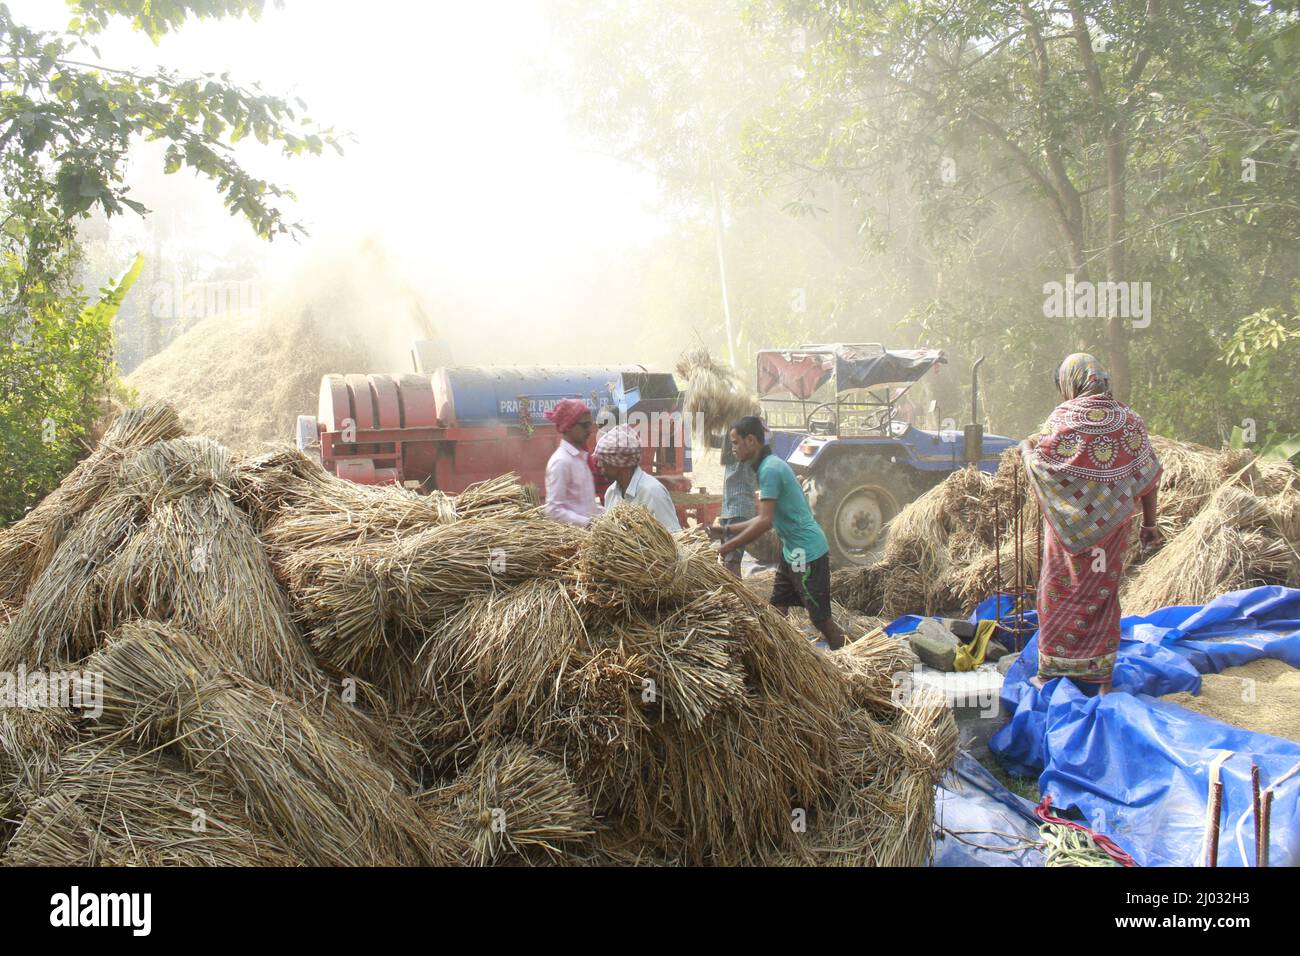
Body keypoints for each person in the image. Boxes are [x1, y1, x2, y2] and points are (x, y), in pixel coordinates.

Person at [1022, 353, 1162, 694]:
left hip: (1067, 533)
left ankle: (1049, 674)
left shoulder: (1063, 417)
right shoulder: (1129, 420)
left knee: (1057, 592)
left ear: (1072, 381)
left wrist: (1026, 452)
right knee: (1102, 595)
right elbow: (1148, 477)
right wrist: (1149, 525)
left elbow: (1044, 467)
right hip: (1111, 533)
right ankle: (1101, 679)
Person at [717, 415, 846, 650]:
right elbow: (765, 517)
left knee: (820, 619)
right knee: (777, 610)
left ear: (751, 440)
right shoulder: (767, 466)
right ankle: (785, 661)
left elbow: (764, 522)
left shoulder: (770, 470)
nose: (733, 449)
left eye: (735, 443)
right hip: (793, 554)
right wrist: (726, 530)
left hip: (808, 554)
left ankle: (853, 662)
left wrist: (728, 545)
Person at [594, 424, 681, 532]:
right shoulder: (611, 493)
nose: (598, 465)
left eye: (603, 460)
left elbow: (674, 538)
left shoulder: (652, 493)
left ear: (620, 463)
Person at [542, 399, 602, 526]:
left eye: (590, 425)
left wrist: (608, 515)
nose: (589, 430)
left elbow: (587, 506)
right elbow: (553, 510)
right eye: (585, 425)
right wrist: (588, 524)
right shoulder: (561, 462)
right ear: (568, 425)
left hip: (589, 537)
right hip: (575, 540)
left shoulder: (581, 458)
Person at [715, 430, 757, 577]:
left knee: (731, 559)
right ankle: (733, 594)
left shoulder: (736, 452)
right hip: (735, 510)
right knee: (729, 559)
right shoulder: (742, 450)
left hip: (734, 510)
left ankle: (734, 595)